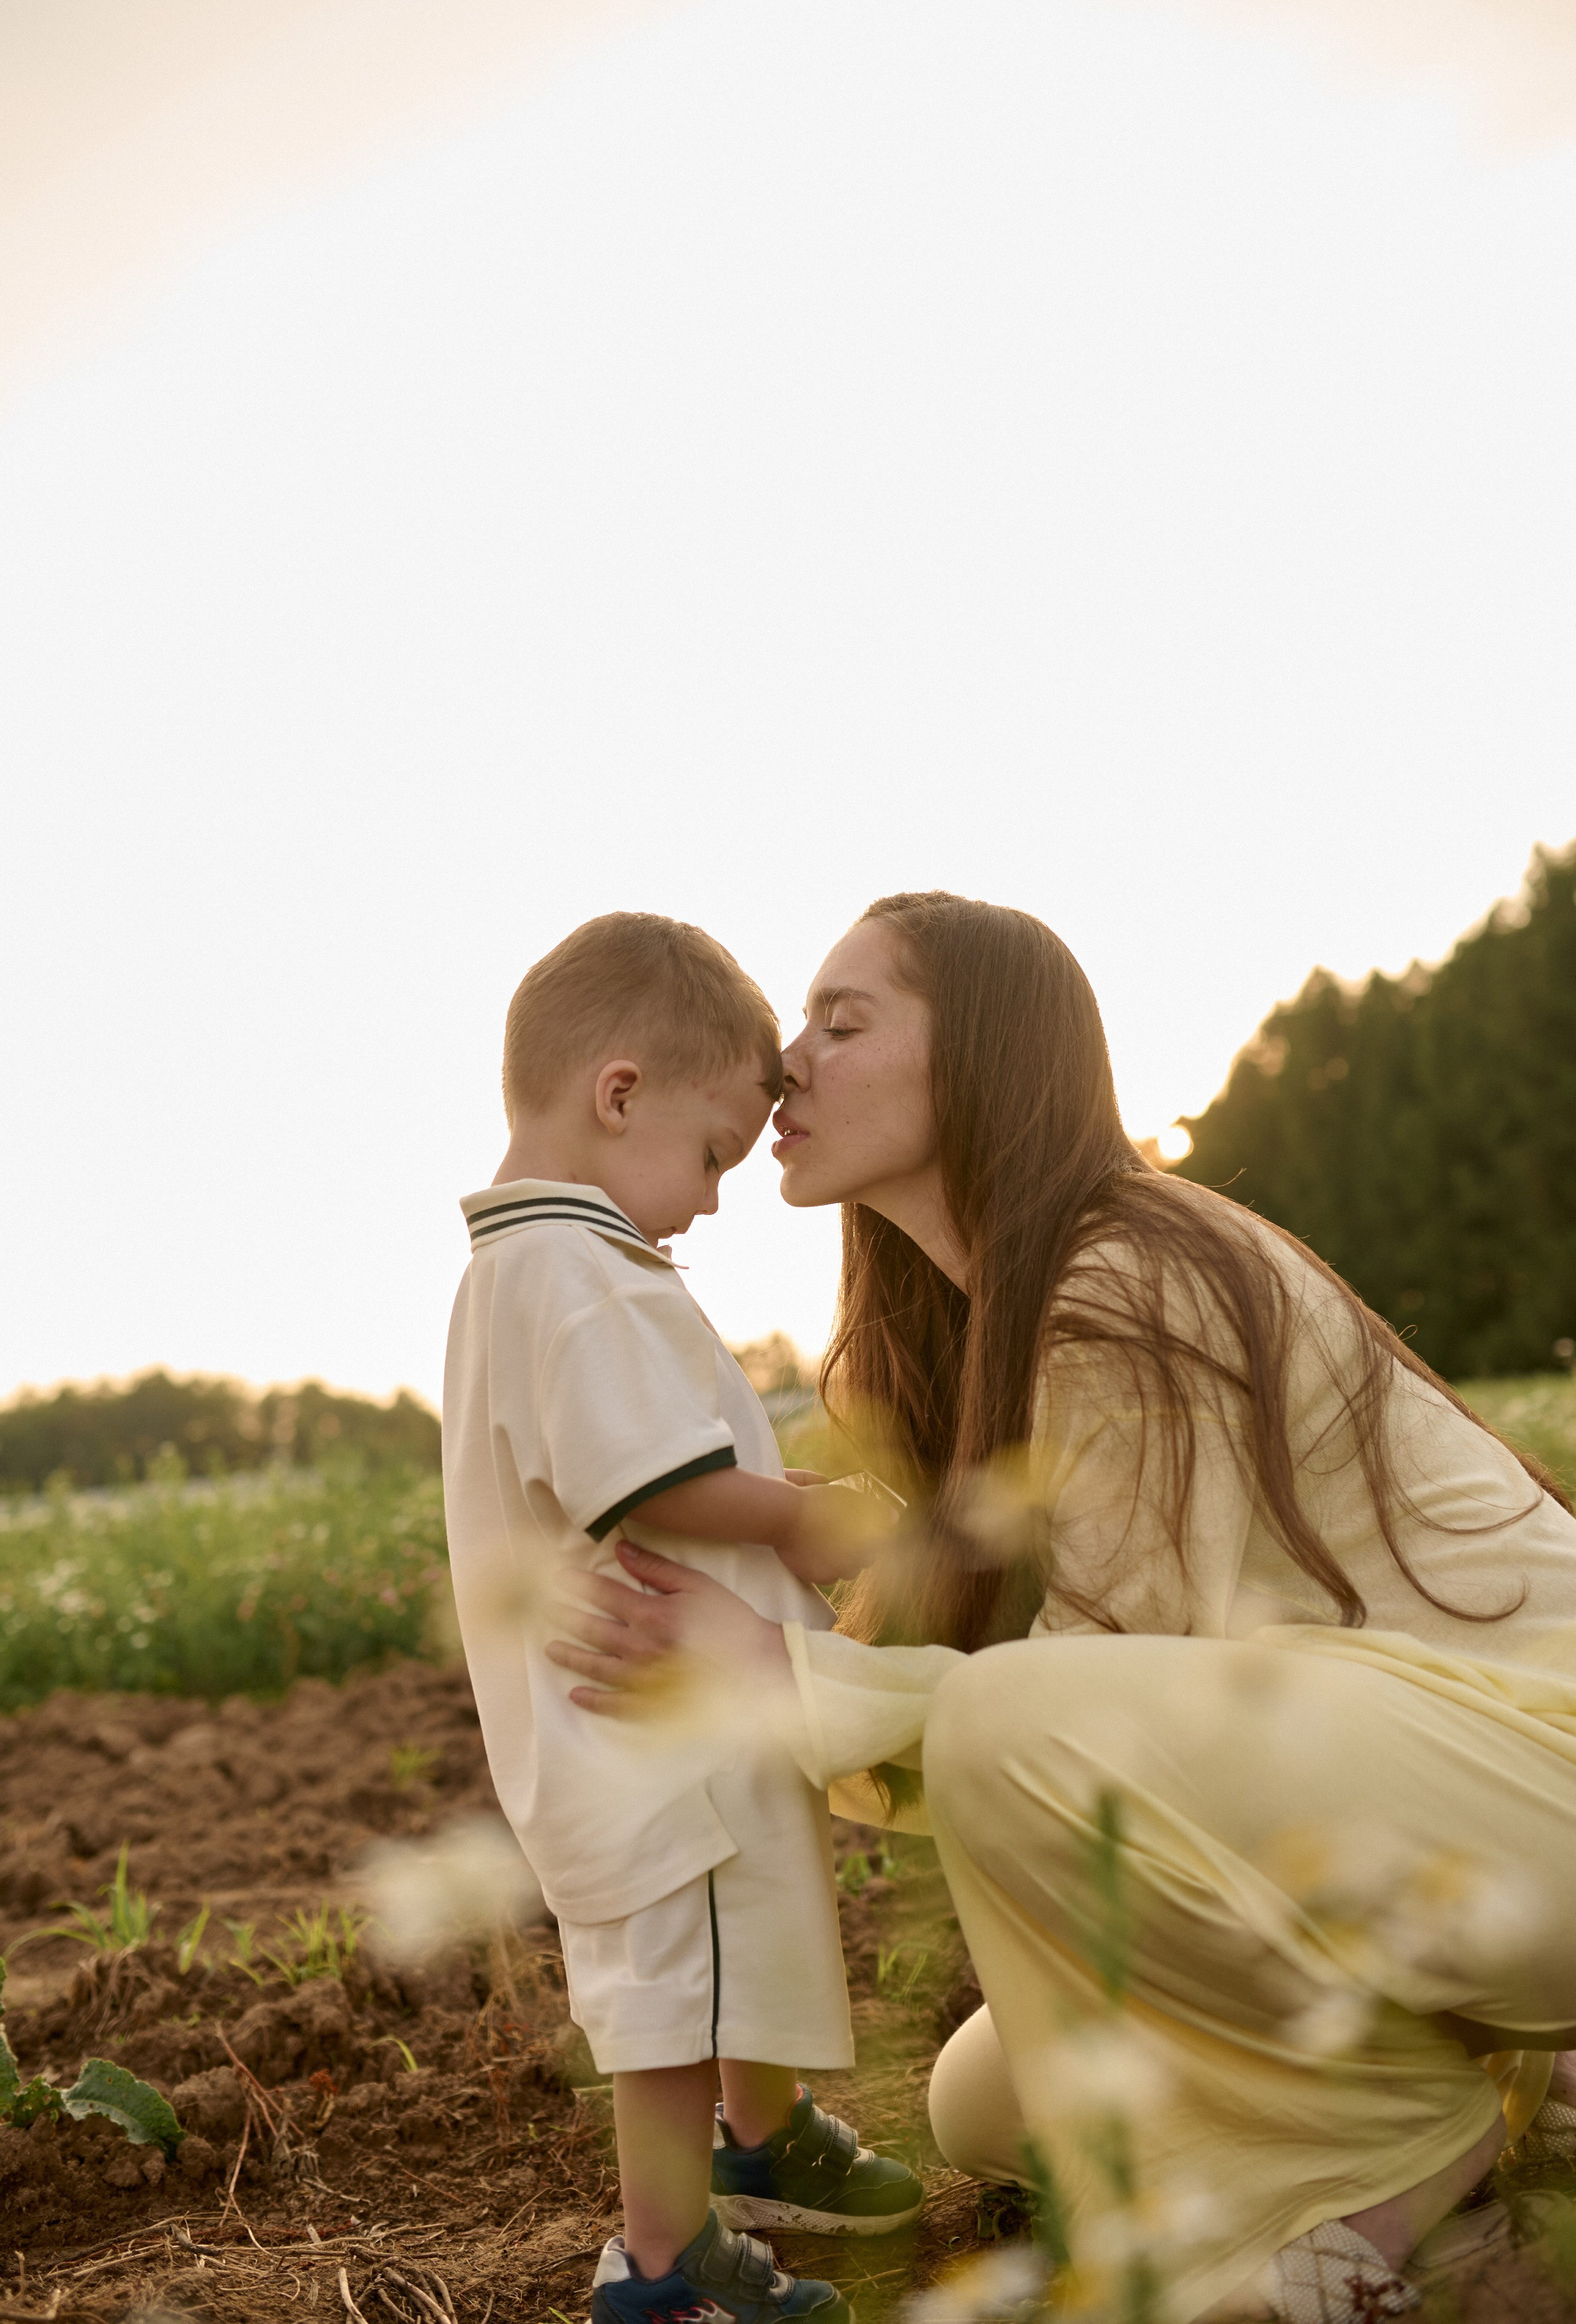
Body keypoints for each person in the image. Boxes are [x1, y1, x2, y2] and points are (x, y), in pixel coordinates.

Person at [545, 890, 1576, 2324]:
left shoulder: (1129, 1276)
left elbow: (1120, 1695)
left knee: (1010, 1720)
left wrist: (780, 1677)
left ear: (978, 1058)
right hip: (1407, 1817)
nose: (787, 1060)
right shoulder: (995, 1329)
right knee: (991, 2098)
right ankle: (1519, 2077)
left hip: (1539, 1788)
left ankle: (1378, 2195)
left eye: (843, 1024)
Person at [441, 913, 922, 2324]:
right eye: (713, 1153)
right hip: (643, 1731)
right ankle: (665, 2272)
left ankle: (761, 2144)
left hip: (660, 1720)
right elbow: (648, 1478)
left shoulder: (543, 1263)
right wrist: (807, 1515)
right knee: (670, 1996)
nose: (715, 1197)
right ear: (618, 1092)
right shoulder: (571, 1276)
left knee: (732, 1938)